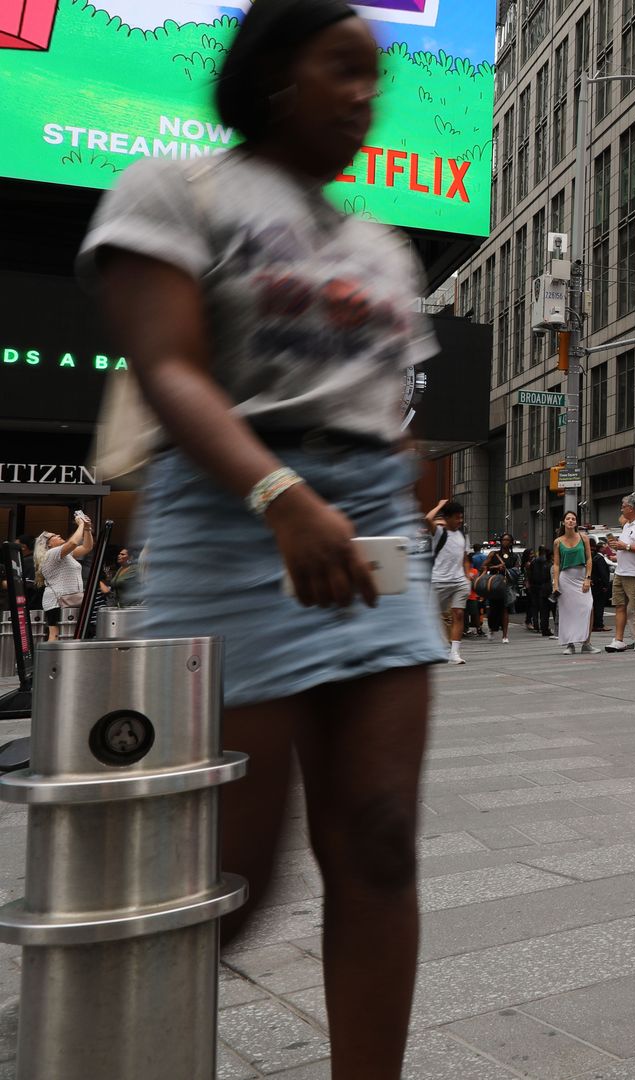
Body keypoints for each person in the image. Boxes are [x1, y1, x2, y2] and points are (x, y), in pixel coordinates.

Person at [80, 4, 448, 1074]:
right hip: (237, 512)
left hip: (368, 523)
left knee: (379, 837)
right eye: (343, 67)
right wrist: (281, 495)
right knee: (227, 882)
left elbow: (386, 401)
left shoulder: (382, 243)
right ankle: (112, 1050)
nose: (365, 93)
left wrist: (388, 482)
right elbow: (169, 370)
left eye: (374, 76)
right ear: (274, 72)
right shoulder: (172, 188)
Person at [35, 512, 95, 640]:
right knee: (55, 634)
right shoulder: (51, 553)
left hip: (68, 598)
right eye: (54, 536)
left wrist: (87, 529)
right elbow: (73, 542)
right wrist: (81, 524)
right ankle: (51, 660)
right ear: (48, 544)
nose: (59, 535)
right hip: (57, 601)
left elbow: (87, 547)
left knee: (67, 634)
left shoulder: (65, 554)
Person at [605, 495, 635, 653]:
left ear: (631, 508)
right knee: (619, 606)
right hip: (621, 571)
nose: (621, 509)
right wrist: (617, 547)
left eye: (623, 506)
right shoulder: (627, 525)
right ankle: (618, 639)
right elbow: (626, 546)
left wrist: (626, 547)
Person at [428, 499, 471, 664]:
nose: (460, 521)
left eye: (461, 517)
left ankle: (454, 653)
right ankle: (438, 647)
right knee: (432, 616)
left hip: (459, 581)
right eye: (456, 517)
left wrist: (467, 577)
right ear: (446, 518)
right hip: (439, 580)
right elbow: (427, 518)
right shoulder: (439, 532)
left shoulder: (462, 535)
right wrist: (439, 505)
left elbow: (465, 558)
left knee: (458, 614)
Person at [552, 510, 596, 654]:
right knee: (568, 612)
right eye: (568, 519)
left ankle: (586, 643)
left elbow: (589, 559)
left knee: (588, 607)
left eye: (573, 519)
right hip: (566, 578)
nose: (571, 521)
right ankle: (570, 644)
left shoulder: (584, 538)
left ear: (576, 522)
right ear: (563, 522)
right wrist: (555, 584)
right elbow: (557, 565)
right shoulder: (558, 542)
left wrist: (588, 579)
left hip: (581, 576)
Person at [476, 550, 512, 644]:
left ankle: (505, 635)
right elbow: (483, 567)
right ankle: (492, 628)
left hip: (505, 584)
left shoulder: (512, 556)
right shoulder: (494, 554)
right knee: (492, 610)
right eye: (504, 540)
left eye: (508, 540)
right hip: (493, 585)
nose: (506, 542)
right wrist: (496, 567)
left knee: (505, 609)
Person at [523, 546, 554, 638]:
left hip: (535, 586)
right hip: (546, 586)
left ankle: (538, 626)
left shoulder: (534, 561)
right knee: (550, 608)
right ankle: (551, 628)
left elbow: (530, 573)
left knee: (536, 607)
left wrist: (530, 582)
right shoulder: (549, 563)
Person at [589, 536, 612, 632]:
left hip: (596, 585)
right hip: (600, 586)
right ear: (601, 549)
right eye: (604, 547)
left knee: (596, 605)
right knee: (599, 606)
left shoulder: (596, 558)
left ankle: (595, 624)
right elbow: (603, 573)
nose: (606, 549)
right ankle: (599, 624)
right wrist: (606, 585)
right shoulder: (600, 559)